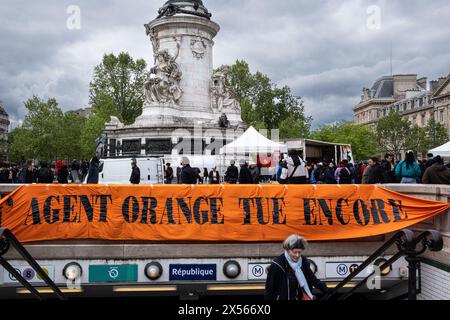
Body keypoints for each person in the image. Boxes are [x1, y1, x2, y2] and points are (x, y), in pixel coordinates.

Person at [265, 235, 329, 301]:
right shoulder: (278, 264)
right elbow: (270, 289)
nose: (297, 255)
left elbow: (312, 279)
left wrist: (326, 289)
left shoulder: (303, 261)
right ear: (288, 250)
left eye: (299, 252)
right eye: (295, 252)